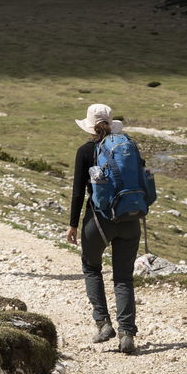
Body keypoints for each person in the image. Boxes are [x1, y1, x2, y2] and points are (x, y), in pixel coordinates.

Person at [65, 103, 142, 355]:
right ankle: (127, 334)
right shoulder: (128, 147)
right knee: (123, 277)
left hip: (99, 220)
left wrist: (73, 224)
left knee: (91, 266)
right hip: (130, 218)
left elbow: (78, 192)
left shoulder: (85, 151)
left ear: (89, 126)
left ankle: (103, 322)